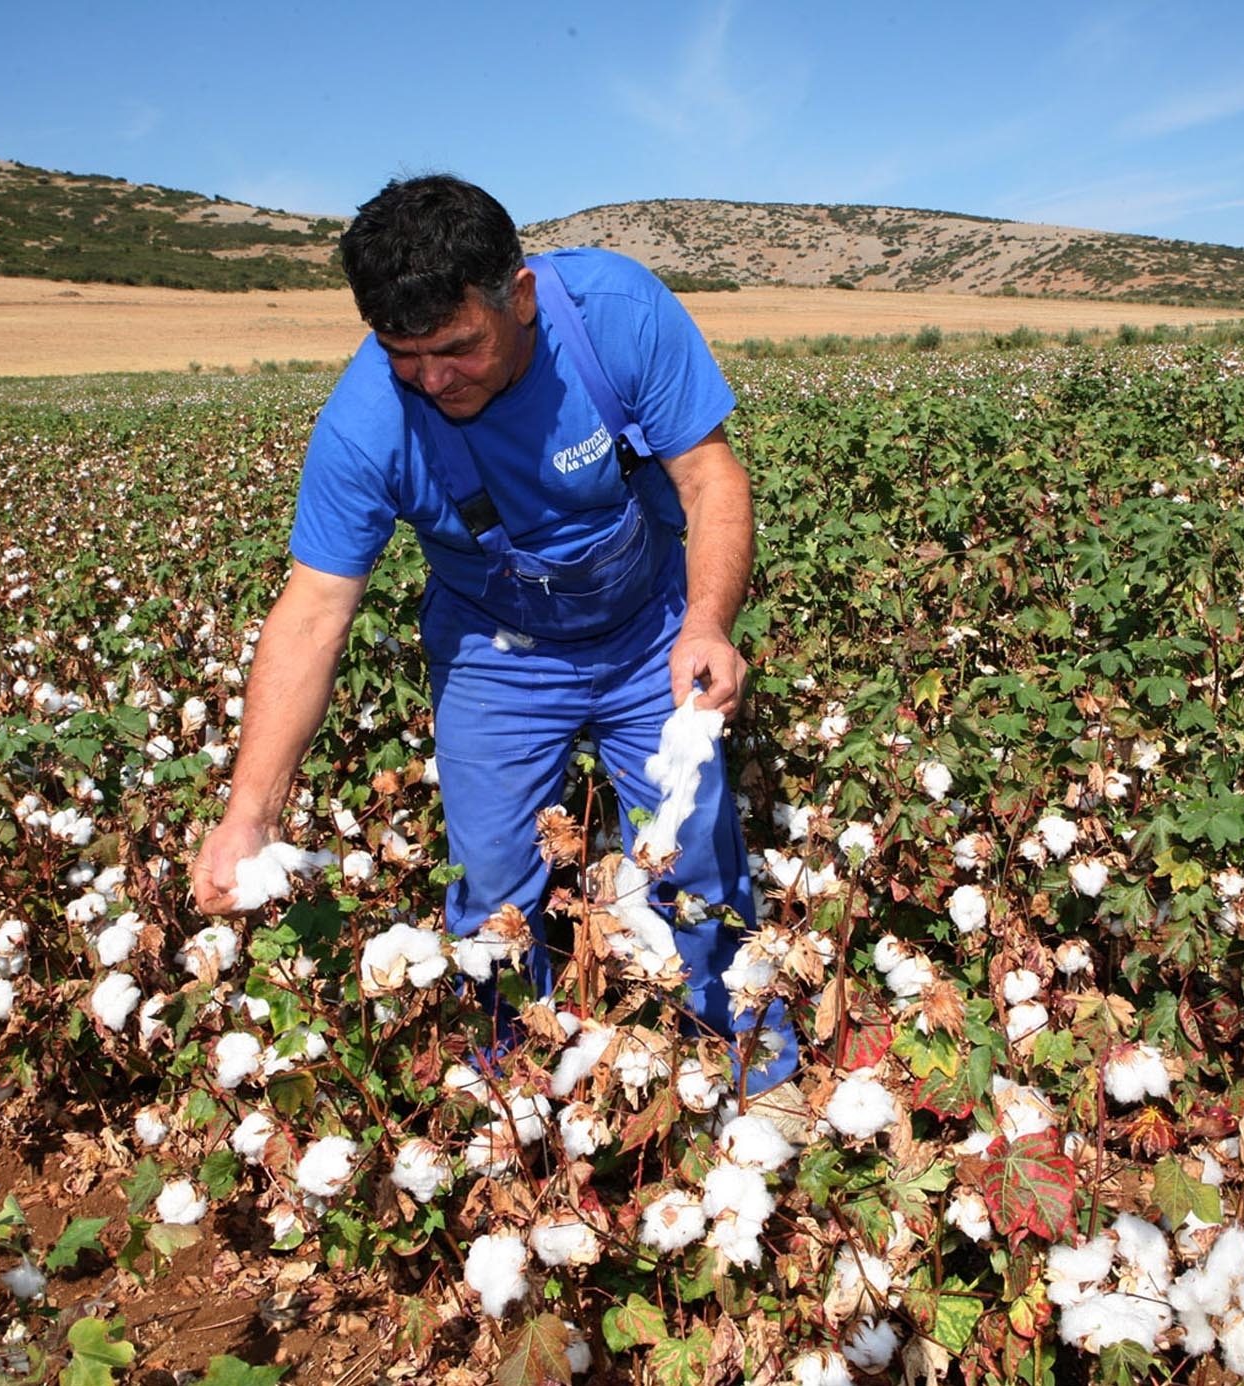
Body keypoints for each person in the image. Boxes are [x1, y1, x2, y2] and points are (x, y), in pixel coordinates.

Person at [190, 174, 795, 1093]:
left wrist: (707, 626)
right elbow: (313, 613)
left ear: (518, 296)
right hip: (495, 651)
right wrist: (250, 814)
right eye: (405, 353)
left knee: (695, 859)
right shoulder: (366, 425)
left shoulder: (615, 316)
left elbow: (711, 479)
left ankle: (760, 1077)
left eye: (457, 348)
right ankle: (516, 1099)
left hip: (650, 632)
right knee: (494, 884)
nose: (433, 379)